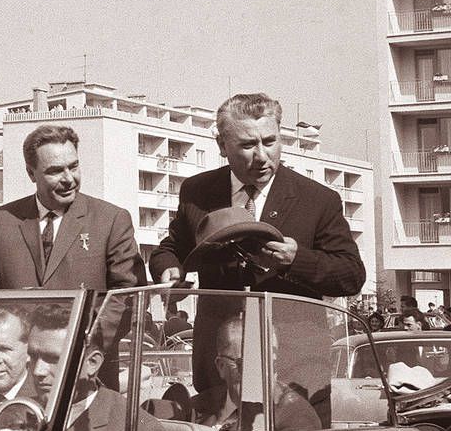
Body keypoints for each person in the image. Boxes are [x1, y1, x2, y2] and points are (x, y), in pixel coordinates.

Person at [149, 93, 364, 299]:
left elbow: (352, 275)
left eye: (269, 142)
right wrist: (169, 269)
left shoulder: (318, 199)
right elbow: (172, 249)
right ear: (222, 146)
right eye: (248, 145)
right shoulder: (197, 190)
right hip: (219, 334)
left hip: (290, 334)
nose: (261, 156)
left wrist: (297, 260)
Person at [0, 124, 144, 291]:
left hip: (85, 353)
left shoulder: (111, 220)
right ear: (31, 174)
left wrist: (90, 344)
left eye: (73, 167)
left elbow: (127, 298)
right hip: (21, 354)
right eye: (55, 171)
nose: (69, 179)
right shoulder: (0, 222)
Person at [193, 313, 319, 431]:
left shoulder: (295, 414)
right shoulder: (197, 407)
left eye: (271, 364)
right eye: (248, 365)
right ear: (221, 367)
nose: (261, 374)